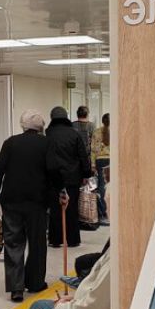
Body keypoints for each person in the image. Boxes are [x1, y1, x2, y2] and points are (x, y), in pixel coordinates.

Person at [0, 109, 51, 303]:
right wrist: (60, 193)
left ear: (23, 125)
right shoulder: (46, 143)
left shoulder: (10, 142)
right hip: (37, 202)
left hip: (12, 201)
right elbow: (54, 171)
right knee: (37, 243)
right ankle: (35, 282)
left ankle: (16, 289)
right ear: (40, 127)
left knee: (13, 243)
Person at [46, 106, 92, 248]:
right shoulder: (74, 134)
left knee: (55, 209)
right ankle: (73, 240)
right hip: (73, 177)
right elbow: (83, 156)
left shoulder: (47, 134)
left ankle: (55, 239)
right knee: (72, 209)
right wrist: (86, 174)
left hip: (52, 178)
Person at [92, 113, 111, 226]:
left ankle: (104, 214)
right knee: (113, 187)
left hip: (100, 161)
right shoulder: (115, 130)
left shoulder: (96, 132)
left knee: (101, 186)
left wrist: (93, 164)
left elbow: (93, 150)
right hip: (112, 160)